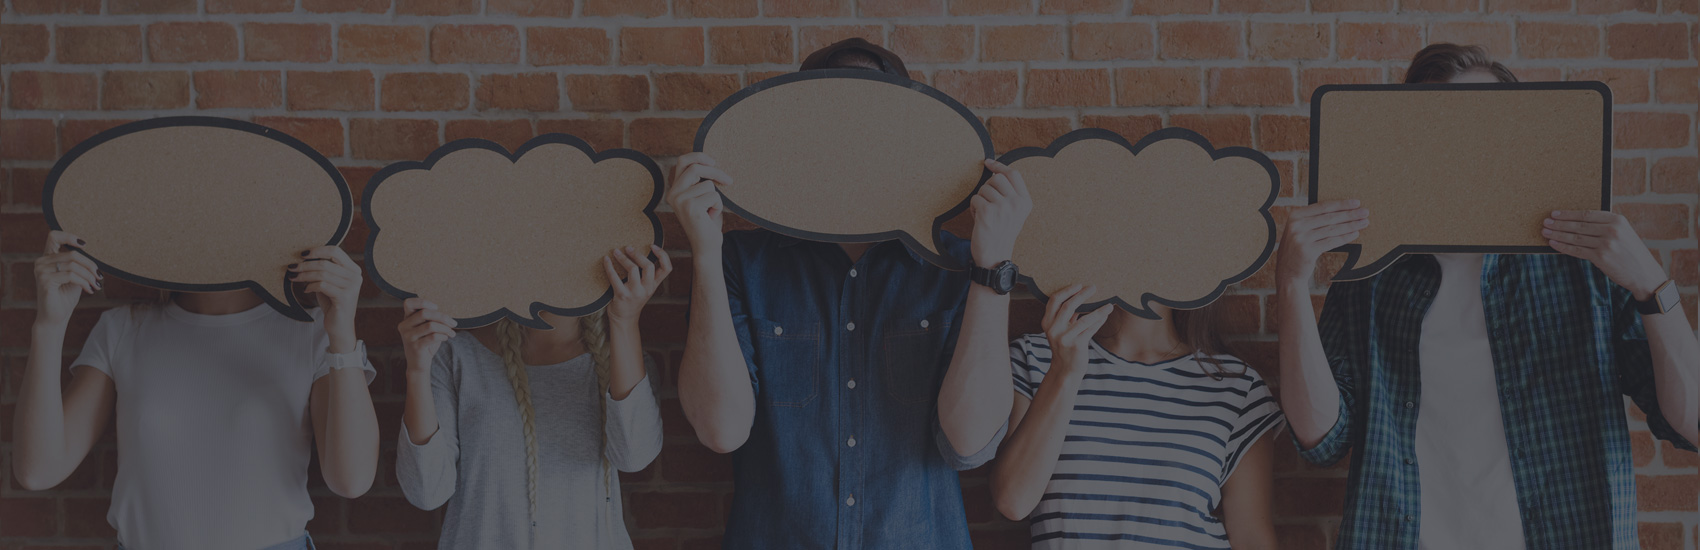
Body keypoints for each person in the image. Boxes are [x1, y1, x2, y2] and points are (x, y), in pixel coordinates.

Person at [1276, 43, 1700, 550]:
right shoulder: (1372, 276)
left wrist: (1651, 284)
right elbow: (1323, 439)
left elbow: (1692, 425)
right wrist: (1293, 284)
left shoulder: (1585, 269)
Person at [669, 38, 1032, 548]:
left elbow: (968, 444)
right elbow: (719, 430)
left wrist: (991, 268)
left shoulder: (956, 266)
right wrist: (703, 253)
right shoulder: (739, 262)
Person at [14, 231, 379, 550]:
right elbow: (38, 470)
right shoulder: (123, 329)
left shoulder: (313, 333)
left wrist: (342, 333)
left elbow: (352, 480)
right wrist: (48, 324)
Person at [394, 246, 668, 549]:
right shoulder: (454, 353)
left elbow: (633, 457)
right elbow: (426, 491)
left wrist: (625, 321)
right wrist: (417, 370)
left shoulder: (625, 361)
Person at [992, 286, 1282, 550]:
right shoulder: (1036, 357)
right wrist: (1064, 372)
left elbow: (1251, 537)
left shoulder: (1237, 385)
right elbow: (1013, 501)